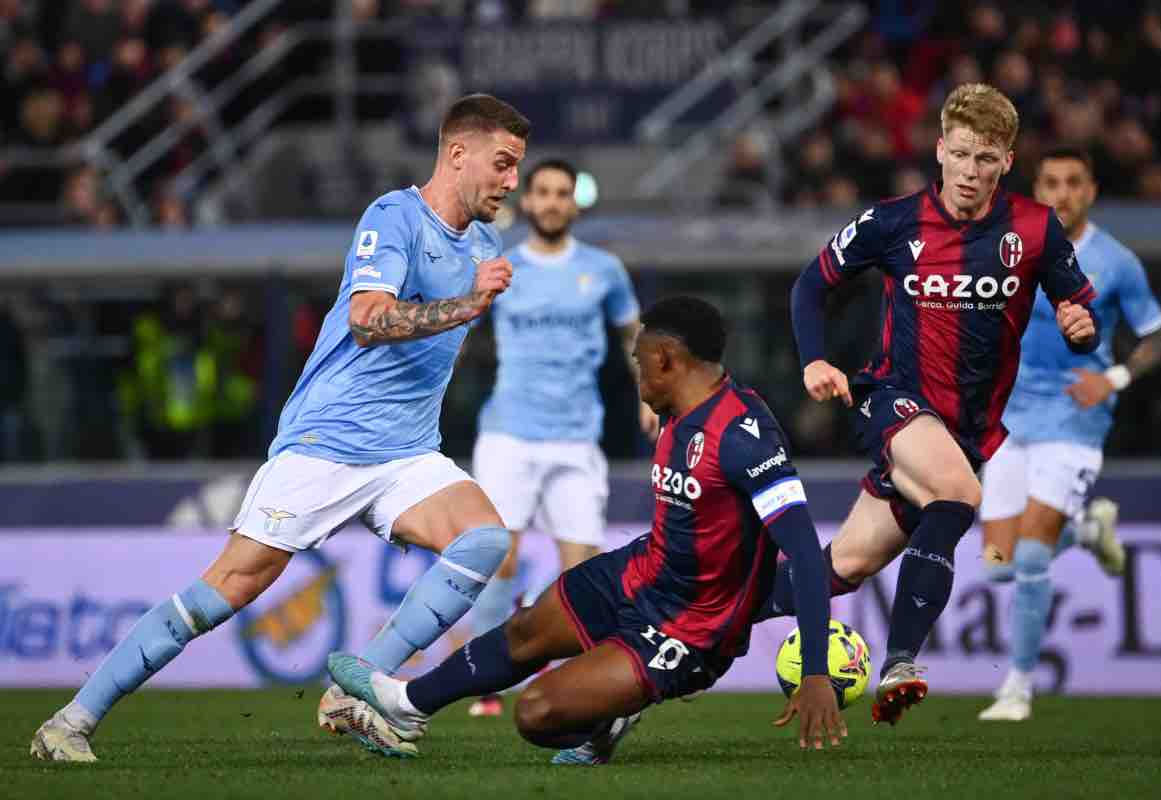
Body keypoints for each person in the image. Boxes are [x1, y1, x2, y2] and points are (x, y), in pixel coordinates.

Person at [30, 94, 531, 762]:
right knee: (227, 590)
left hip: (407, 452)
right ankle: (70, 721)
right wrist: (466, 304)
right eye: (502, 163)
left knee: (483, 540)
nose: (512, 182)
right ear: (457, 152)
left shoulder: (487, 243)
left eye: (516, 167)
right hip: (329, 442)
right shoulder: (394, 217)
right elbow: (367, 319)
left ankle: (356, 688)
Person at [326, 296, 845, 762]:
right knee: (526, 630)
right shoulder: (676, 409)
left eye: (641, 362)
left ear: (666, 359)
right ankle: (405, 703)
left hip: (686, 629)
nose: (636, 376)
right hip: (640, 571)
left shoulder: (743, 436)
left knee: (537, 715)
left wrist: (816, 670)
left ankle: (613, 712)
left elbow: (801, 550)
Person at [783, 83, 1098, 725]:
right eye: (959, 154)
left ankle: (697, 622)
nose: (969, 172)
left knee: (836, 570)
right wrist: (815, 358)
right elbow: (811, 285)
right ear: (939, 150)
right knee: (958, 497)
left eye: (985, 159)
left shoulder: (1035, 229)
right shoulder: (893, 221)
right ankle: (899, 662)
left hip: (967, 432)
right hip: (893, 400)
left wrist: (1076, 320)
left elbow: (1075, 301)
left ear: (1007, 162)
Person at [977, 147, 1161, 721]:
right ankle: (1088, 530)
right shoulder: (1011, 248)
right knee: (995, 563)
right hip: (1012, 418)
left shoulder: (1116, 262)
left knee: (1034, 553)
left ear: (1091, 191)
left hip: (1074, 417)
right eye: (1051, 183)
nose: (1062, 193)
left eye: (1074, 183)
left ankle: (1016, 688)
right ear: (1035, 189)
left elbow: (1159, 339)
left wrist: (1112, 377)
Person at [466, 158, 658, 717]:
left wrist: (648, 391)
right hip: (509, 436)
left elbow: (633, 335)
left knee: (582, 570)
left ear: (575, 203)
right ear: (526, 202)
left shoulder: (604, 270)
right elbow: (456, 334)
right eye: (542, 193)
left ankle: (574, 683)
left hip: (577, 440)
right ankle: (486, 688)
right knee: (496, 558)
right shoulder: (499, 268)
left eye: (562, 193)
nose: (551, 202)